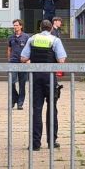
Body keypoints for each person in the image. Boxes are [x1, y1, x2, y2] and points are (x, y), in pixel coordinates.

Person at [21, 19, 67, 150]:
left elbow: (23, 58)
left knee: (36, 110)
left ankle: (35, 144)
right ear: (51, 28)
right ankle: (52, 141)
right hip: (50, 77)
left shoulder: (32, 39)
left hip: (35, 77)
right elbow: (61, 60)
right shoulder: (55, 40)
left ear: (40, 27)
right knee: (52, 109)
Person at [7, 19, 30, 110]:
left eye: (16, 25)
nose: (15, 27)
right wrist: (9, 59)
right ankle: (14, 98)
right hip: (13, 62)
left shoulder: (26, 37)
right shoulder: (11, 37)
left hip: (23, 62)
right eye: (14, 25)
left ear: (21, 26)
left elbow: (29, 49)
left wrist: (29, 59)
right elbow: (9, 49)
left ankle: (20, 103)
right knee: (11, 82)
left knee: (22, 83)